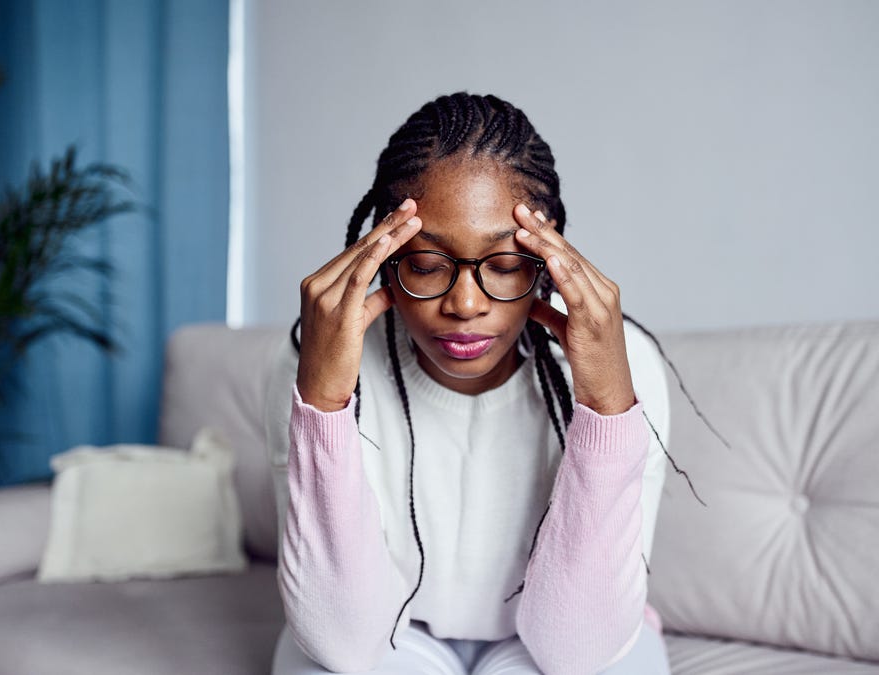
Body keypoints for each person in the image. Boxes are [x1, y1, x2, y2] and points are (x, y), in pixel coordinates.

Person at [265, 92, 683, 674]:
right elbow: (344, 641)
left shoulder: (623, 363)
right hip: (388, 636)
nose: (465, 304)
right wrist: (324, 406)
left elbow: (578, 651)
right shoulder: (318, 359)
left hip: (570, 640)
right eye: (428, 265)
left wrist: (607, 409)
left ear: (547, 251)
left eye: (506, 266)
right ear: (385, 254)